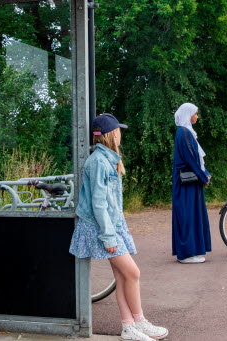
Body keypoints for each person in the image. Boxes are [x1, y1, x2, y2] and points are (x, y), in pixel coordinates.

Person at [69, 114, 168, 341]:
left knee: (123, 276)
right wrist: (109, 237)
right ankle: (139, 321)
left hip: (111, 225)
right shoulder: (98, 162)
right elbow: (99, 204)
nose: (121, 133)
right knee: (133, 272)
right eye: (119, 130)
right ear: (113, 134)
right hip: (101, 228)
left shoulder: (109, 159)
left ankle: (129, 326)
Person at [171, 103, 211, 264]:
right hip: (186, 184)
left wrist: (204, 174)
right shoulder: (184, 132)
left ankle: (191, 251)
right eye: (195, 113)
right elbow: (190, 159)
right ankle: (186, 254)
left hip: (189, 183)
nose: (197, 116)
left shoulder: (186, 132)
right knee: (187, 215)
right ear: (188, 114)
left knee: (191, 215)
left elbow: (195, 159)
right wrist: (203, 176)